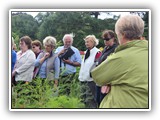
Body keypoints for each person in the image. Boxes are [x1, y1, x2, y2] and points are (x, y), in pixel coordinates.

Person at [91, 14, 148, 108]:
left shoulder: (120, 57)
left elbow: (97, 76)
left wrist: (110, 82)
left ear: (123, 35)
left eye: (117, 34)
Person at [96, 30, 118, 107]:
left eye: (107, 39)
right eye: (104, 39)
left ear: (113, 39)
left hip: (107, 80)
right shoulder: (105, 48)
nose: (105, 41)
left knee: (104, 101)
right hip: (100, 78)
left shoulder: (116, 49)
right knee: (98, 100)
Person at [79, 35, 101, 108]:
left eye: (88, 42)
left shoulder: (97, 53)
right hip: (83, 80)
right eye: (86, 42)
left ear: (93, 42)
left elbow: (98, 66)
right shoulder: (86, 52)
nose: (86, 43)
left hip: (91, 81)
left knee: (91, 101)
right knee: (82, 100)